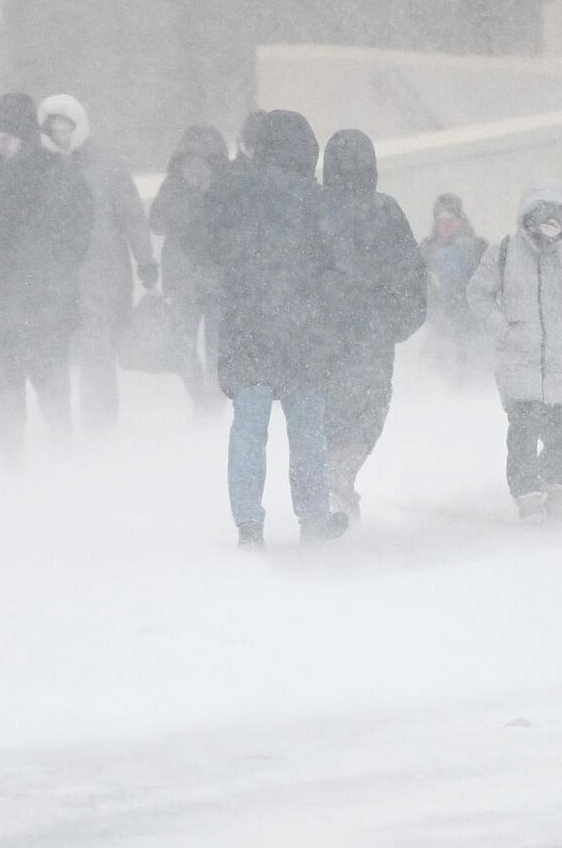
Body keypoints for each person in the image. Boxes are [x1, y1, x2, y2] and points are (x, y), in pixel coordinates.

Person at [199, 109, 354, 547]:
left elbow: (207, 252)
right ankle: (313, 518)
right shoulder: (318, 200)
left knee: (249, 429)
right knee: (307, 430)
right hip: (303, 330)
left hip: (248, 326)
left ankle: (249, 525)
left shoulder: (232, 194)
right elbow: (339, 268)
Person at [0, 93, 90, 465]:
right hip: (4, 301)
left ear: (26, 135)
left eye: (7, 138)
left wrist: (51, 274)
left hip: (50, 302)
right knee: (6, 382)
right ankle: (12, 460)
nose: (0, 145)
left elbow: (78, 232)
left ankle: (62, 454)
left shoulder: (57, 173)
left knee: (51, 380)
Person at [468, 182, 562, 521]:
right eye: (541, 213)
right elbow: (478, 295)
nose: (548, 220)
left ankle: (555, 485)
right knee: (523, 428)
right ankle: (525, 493)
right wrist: (503, 329)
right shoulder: (505, 250)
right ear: (526, 216)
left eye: (556, 213)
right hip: (520, 355)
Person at [318, 129, 427, 520]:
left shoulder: (315, 210)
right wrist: (400, 321)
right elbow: (411, 273)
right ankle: (340, 478)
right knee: (369, 410)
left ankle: (331, 482)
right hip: (373, 333)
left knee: (330, 412)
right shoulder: (385, 210)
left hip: (325, 332)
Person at [40, 94, 157, 430]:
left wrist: (145, 259)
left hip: (100, 273)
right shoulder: (39, 167)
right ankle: (59, 426)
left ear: (78, 127)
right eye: (53, 129)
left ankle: (100, 424)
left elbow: (131, 214)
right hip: (55, 277)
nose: (60, 135)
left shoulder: (106, 164)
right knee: (55, 352)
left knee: (97, 349)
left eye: (66, 128)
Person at [149, 125, 231, 410]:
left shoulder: (179, 184)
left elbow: (156, 223)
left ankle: (207, 399)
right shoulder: (218, 184)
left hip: (194, 276)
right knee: (207, 344)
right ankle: (209, 399)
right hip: (204, 275)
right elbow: (157, 222)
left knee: (195, 343)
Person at [420, 193, 490, 382]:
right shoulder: (426, 250)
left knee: (474, 375)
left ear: (460, 220)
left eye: (451, 220)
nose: (447, 225)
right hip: (439, 325)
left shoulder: (478, 248)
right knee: (441, 375)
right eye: (442, 221)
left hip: (472, 324)